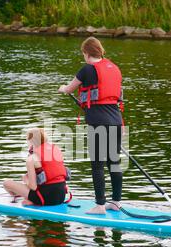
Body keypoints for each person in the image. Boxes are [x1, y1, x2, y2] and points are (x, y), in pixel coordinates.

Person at [58, 37, 123, 215]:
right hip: (117, 120)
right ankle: (116, 202)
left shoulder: (87, 69)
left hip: (98, 121)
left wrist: (62, 88)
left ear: (86, 53)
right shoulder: (114, 68)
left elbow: (70, 88)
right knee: (114, 163)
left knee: (97, 165)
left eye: (83, 54)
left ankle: (100, 206)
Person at [3, 128, 68, 206]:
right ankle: (28, 198)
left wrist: (25, 180)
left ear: (30, 141)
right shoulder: (56, 150)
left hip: (45, 199)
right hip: (61, 196)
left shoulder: (31, 158)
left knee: (6, 183)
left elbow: (33, 187)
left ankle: (31, 200)